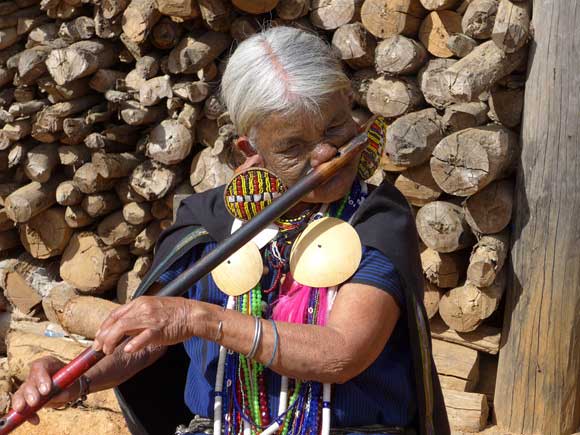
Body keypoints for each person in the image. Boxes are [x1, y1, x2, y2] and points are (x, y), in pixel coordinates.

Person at [12, 27, 449, 435]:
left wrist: (203, 320)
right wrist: (77, 380)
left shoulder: (376, 217)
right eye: (292, 148)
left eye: (335, 128)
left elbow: (342, 353)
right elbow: (150, 341)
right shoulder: (207, 219)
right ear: (249, 148)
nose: (325, 155)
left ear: (350, 105)